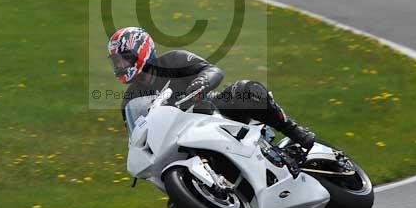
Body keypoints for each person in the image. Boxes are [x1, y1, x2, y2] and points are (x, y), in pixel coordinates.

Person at [109, 26, 315, 148]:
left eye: (122, 59)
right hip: (181, 138)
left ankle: (292, 129)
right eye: (116, 62)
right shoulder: (131, 99)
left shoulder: (173, 60)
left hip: (212, 110)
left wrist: (201, 83)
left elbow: (213, 70)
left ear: (140, 51)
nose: (119, 66)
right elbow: (138, 136)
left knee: (245, 90)